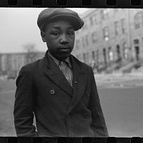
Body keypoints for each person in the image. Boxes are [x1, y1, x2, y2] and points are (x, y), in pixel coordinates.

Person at [13, 8, 108, 141]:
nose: (64, 39)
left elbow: (97, 116)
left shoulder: (86, 70)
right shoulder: (31, 72)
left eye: (70, 33)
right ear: (43, 36)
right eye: (55, 33)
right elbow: (22, 121)